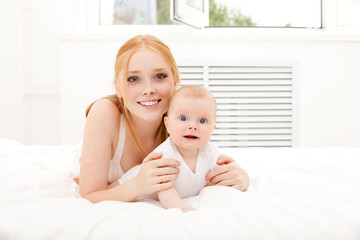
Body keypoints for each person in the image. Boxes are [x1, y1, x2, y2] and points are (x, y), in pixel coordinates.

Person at [75, 34, 249, 204]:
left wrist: (241, 176)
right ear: (118, 88)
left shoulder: (181, 120)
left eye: (160, 76)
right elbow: (89, 196)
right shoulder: (104, 112)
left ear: (175, 80)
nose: (148, 89)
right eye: (133, 79)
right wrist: (137, 185)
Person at [110, 85, 223, 212]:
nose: (193, 126)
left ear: (213, 128)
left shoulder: (212, 153)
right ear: (167, 125)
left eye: (202, 121)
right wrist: (181, 208)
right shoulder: (164, 156)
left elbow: (218, 178)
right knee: (114, 187)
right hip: (137, 180)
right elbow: (165, 190)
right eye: (183, 118)